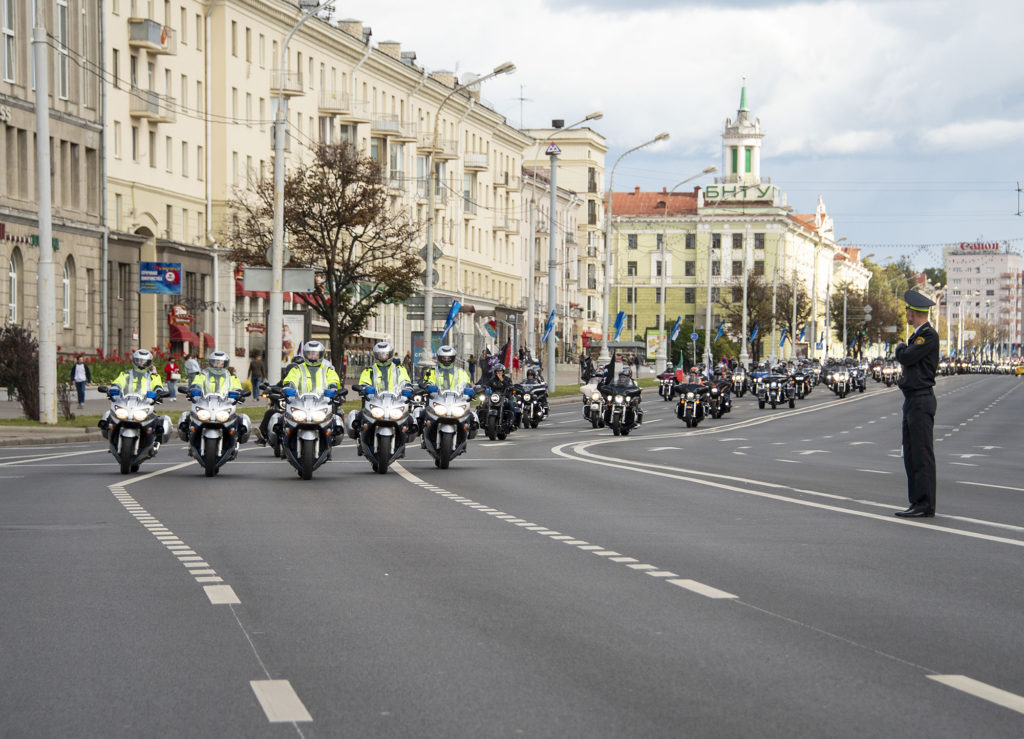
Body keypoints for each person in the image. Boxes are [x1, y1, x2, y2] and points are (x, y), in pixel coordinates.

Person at [893, 290, 940, 518]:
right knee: (911, 454)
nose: (905, 313)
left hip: (921, 399)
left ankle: (926, 504)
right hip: (912, 400)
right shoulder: (917, 335)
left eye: (907, 309)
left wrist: (900, 348)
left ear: (914, 311)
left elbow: (907, 357)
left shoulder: (928, 336)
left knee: (922, 454)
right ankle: (916, 501)